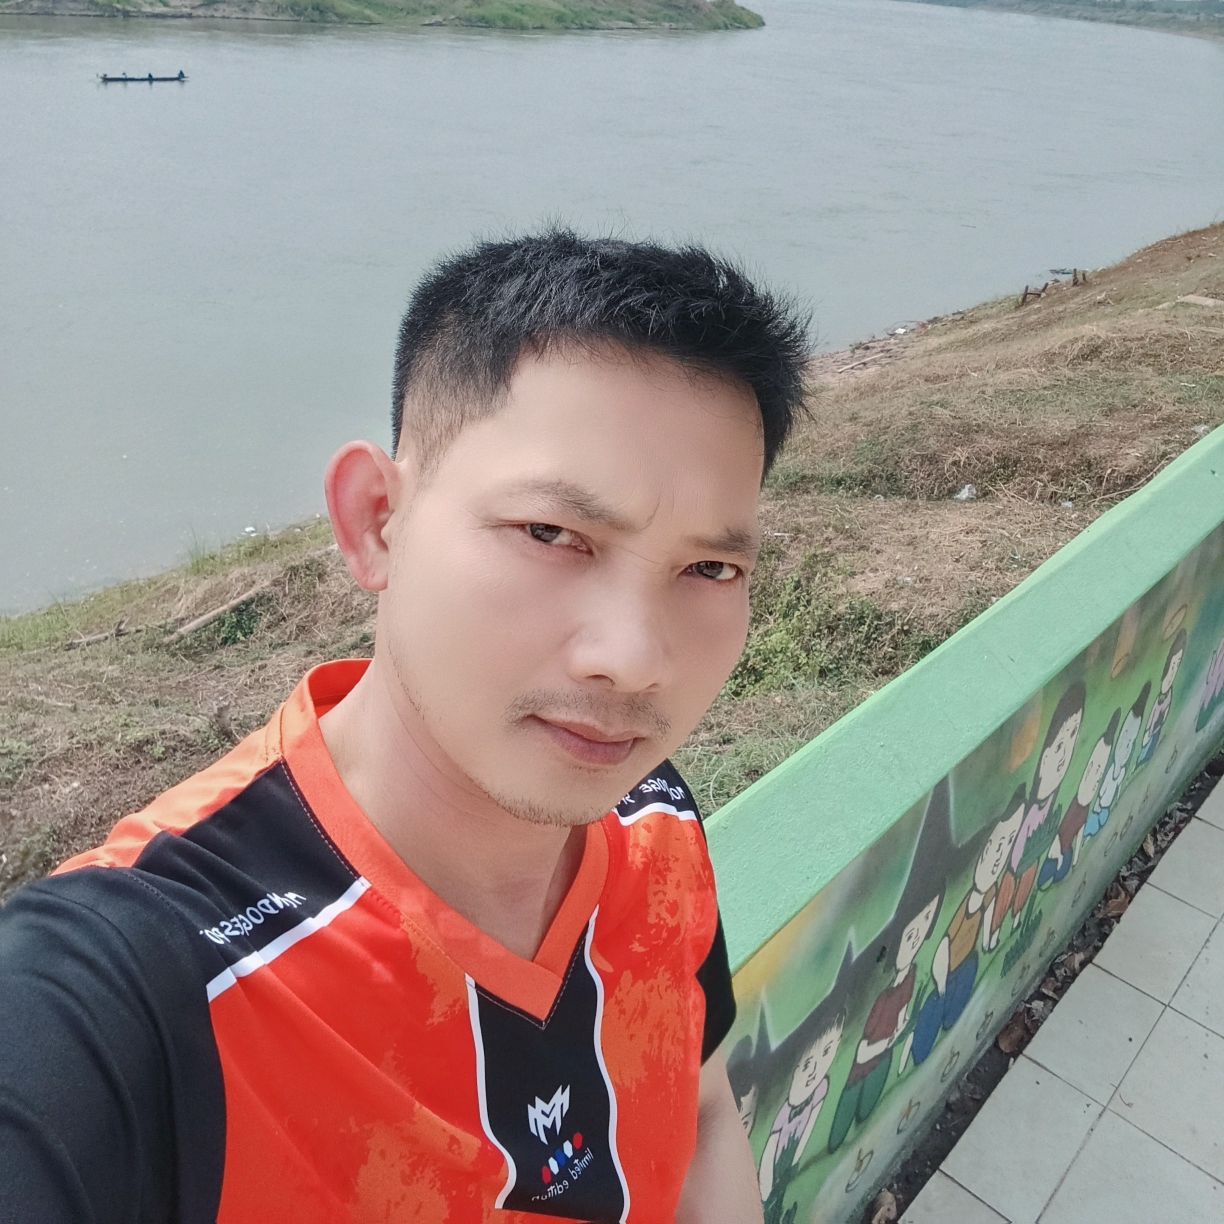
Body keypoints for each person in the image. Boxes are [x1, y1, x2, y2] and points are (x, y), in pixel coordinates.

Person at [0, 230, 809, 1222]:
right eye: (553, 534)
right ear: (377, 520)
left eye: (710, 569)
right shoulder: (144, 983)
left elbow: (702, 1106)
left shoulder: (656, 818)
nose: (635, 659)